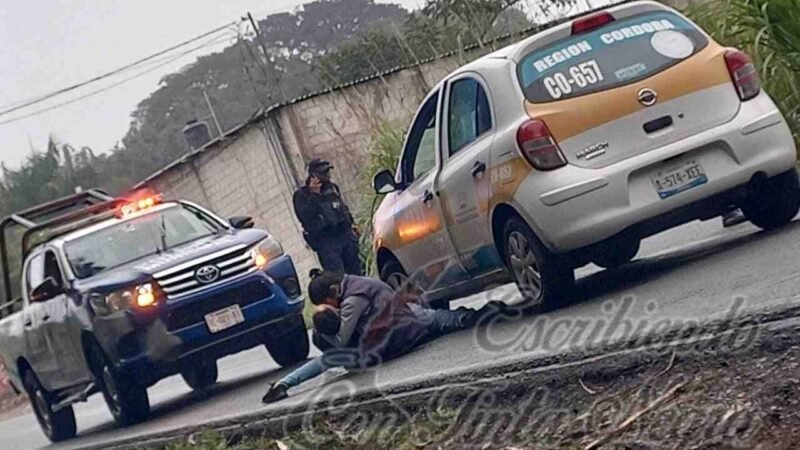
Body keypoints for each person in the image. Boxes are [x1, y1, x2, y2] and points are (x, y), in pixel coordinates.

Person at [261, 271, 507, 403]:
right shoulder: (358, 281)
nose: (331, 307)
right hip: (411, 322)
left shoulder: (351, 302)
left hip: (390, 342)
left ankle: (285, 384)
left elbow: (336, 347)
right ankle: (492, 312)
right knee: (449, 319)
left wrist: (320, 328)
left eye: (326, 304)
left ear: (332, 293)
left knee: (331, 359)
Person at [293, 159, 363, 275]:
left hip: (345, 235)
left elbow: (342, 207)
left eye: (327, 172)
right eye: (322, 173)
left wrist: (352, 224)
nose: (327, 176)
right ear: (313, 176)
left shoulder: (332, 188)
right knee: (338, 277)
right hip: (326, 242)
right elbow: (305, 217)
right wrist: (314, 194)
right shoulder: (302, 195)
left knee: (357, 273)